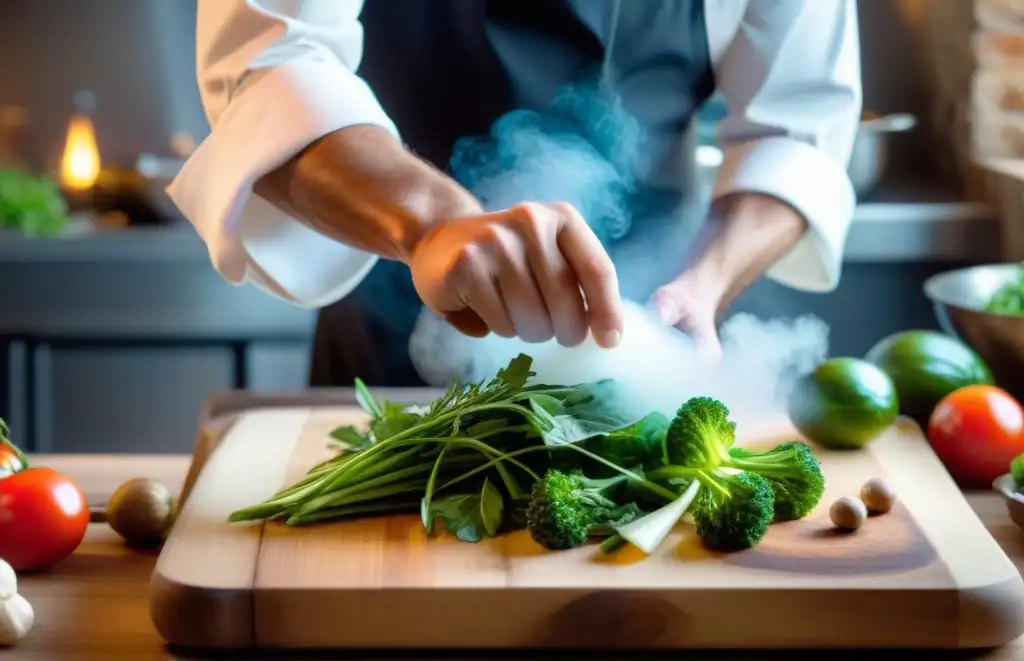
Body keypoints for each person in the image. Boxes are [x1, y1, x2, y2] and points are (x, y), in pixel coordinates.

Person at [168, 0, 861, 387]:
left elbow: (796, 128)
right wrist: (438, 225)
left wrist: (703, 285)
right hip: (397, 342)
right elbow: (269, 66)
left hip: (655, 350)